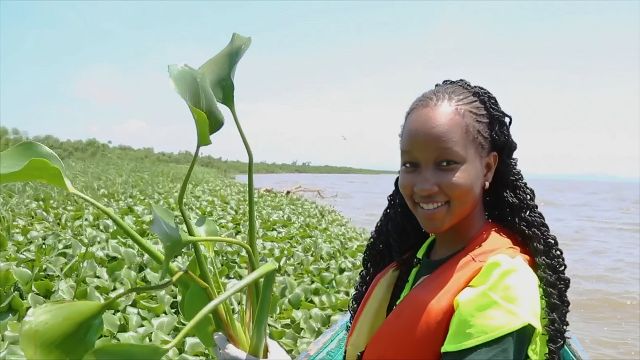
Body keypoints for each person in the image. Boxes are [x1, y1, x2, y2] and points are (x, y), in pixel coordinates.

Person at [346, 79, 571, 360]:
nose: (424, 186)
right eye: (410, 165)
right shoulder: (422, 255)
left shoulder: (502, 283)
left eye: (446, 163)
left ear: (487, 168)